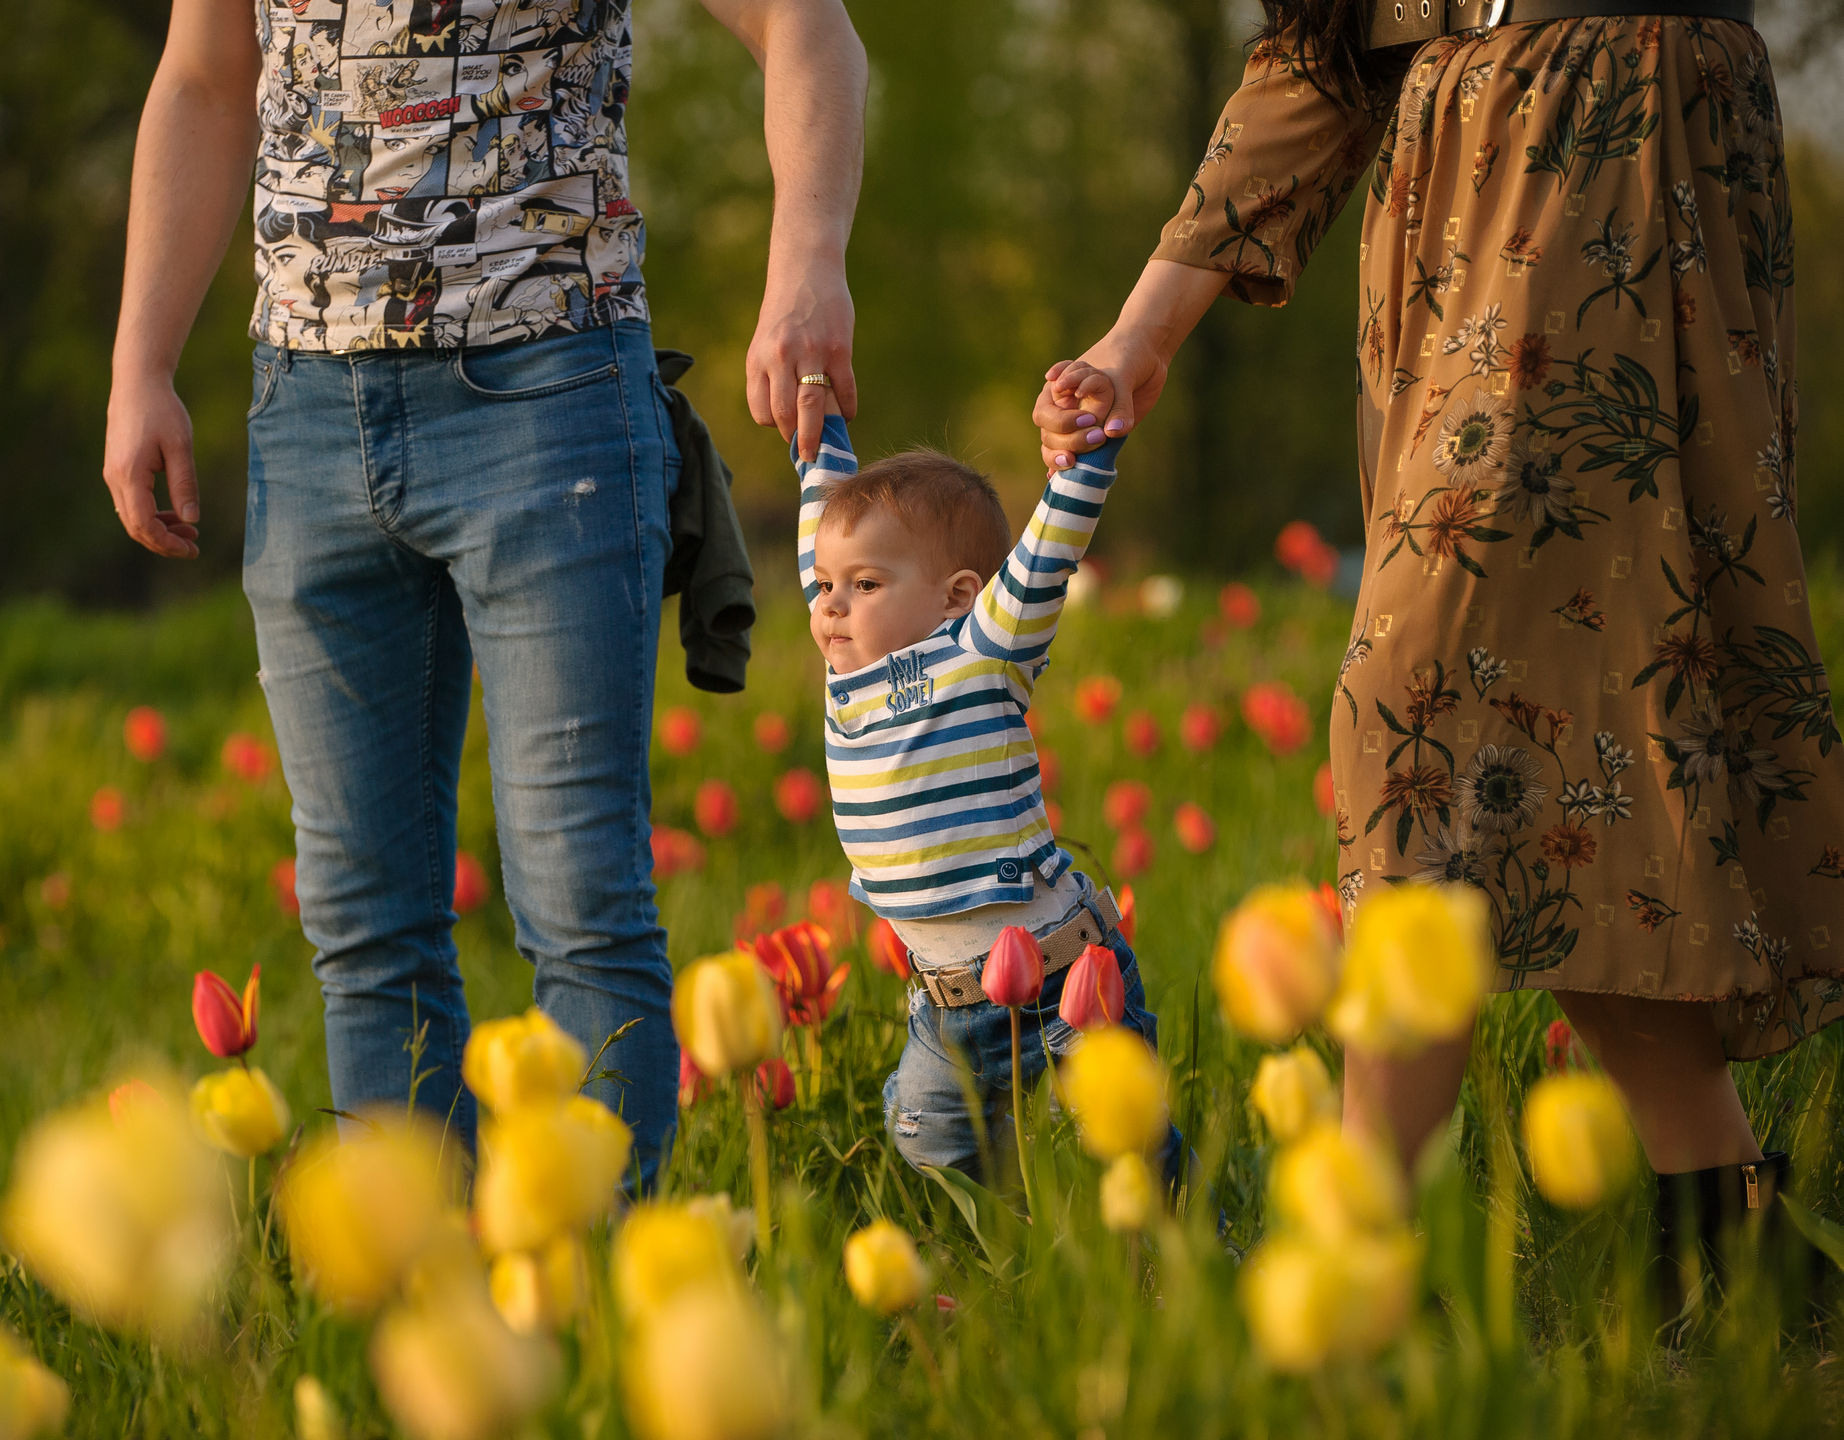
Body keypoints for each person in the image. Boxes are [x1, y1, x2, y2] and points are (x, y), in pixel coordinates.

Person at [1035, 0, 1844, 1278]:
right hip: (1447, 218)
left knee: (1416, 714)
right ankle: (1728, 1238)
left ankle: (1356, 1252)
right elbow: (1317, 60)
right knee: (1563, 761)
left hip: (1613, 159)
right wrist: (1138, 337)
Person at [102, 0, 868, 1186]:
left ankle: (598, 1316)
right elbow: (204, 78)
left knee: (578, 906)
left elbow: (800, 24)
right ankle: (425, 1320)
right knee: (362, 931)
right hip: (304, 411)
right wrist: (140, 365)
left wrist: (805, 263)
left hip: (546, 389)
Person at [791, 384, 1190, 1190]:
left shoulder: (981, 651)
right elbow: (825, 524)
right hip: (943, 1001)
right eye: (824, 587)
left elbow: (1047, 558)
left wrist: (1086, 457)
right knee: (929, 1142)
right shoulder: (844, 670)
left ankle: (1183, 1262)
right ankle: (1010, 1270)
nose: (831, 603)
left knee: (1130, 1145)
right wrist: (816, 419)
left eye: (864, 585)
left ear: (957, 596)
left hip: (1059, 975)